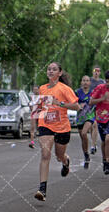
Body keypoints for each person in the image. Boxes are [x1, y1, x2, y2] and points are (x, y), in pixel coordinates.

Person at [34, 62, 80, 201]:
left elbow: (77, 106)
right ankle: (42, 189)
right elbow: (38, 108)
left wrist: (59, 103)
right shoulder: (42, 88)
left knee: (59, 156)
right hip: (45, 124)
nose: (51, 71)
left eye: (54, 69)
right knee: (45, 154)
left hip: (62, 127)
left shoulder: (65, 89)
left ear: (60, 73)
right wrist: (33, 128)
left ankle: (65, 162)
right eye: (49, 69)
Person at [75, 75, 96, 168]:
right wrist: (78, 105)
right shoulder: (77, 92)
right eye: (84, 80)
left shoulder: (93, 93)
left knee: (84, 133)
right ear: (81, 82)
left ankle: (88, 151)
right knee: (82, 138)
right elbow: (72, 102)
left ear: (90, 83)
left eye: (87, 81)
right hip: (80, 117)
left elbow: (96, 103)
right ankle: (86, 154)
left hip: (90, 115)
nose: (85, 82)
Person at [89, 66, 103, 154]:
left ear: (100, 72)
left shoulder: (102, 82)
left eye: (98, 71)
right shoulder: (89, 81)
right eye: (95, 71)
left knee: (95, 125)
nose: (96, 72)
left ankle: (93, 145)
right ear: (92, 71)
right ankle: (93, 143)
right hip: (90, 104)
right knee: (91, 126)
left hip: (99, 105)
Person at [29, 84, 40, 149]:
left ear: (39, 90)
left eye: (36, 89)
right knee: (32, 128)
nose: (35, 91)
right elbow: (30, 106)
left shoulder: (41, 97)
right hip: (33, 113)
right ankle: (32, 142)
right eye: (34, 89)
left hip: (40, 114)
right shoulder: (31, 97)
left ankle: (43, 142)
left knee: (40, 128)